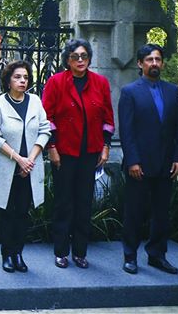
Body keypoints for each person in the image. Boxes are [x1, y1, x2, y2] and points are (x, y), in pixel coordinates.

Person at [42, 38, 114, 269]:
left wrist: (105, 146)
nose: (80, 60)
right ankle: (61, 251)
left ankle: (80, 253)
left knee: (84, 203)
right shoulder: (56, 82)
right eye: (75, 57)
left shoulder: (100, 83)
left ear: (89, 58)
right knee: (64, 203)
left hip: (90, 152)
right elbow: (47, 118)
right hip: (63, 152)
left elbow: (108, 118)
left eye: (84, 56)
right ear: (68, 60)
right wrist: (52, 148)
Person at [119, 43, 178, 275]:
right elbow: (126, 131)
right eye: (149, 60)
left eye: (157, 59)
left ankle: (157, 255)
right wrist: (133, 161)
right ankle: (130, 256)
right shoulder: (130, 92)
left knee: (161, 213)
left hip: (166, 164)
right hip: (139, 165)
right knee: (134, 212)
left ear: (162, 63)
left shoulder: (173, 91)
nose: (154, 63)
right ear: (140, 64)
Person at [0, 60, 50, 273]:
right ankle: (6, 254)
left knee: (23, 213)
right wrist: (18, 159)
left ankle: (18, 254)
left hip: (29, 169)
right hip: (7, 167)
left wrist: (29, 160)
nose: (22, 81)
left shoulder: (35, 101)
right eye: (17, 77)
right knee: (6, 213)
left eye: (25, 77)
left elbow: (45, 130)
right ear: (8, 80)